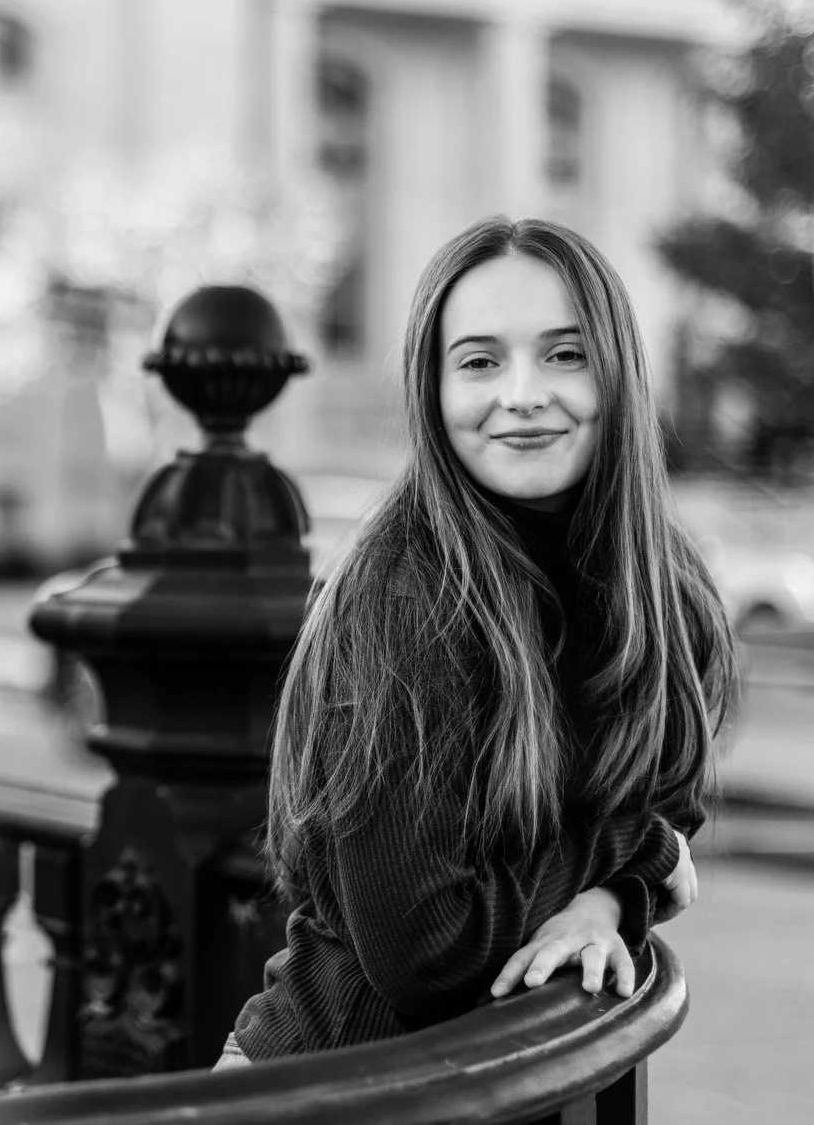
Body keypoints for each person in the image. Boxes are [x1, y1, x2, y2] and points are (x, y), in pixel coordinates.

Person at [218, 215, 737, 1067]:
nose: (523, 392)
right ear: (435, 390)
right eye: (480, 361)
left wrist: (606, 904)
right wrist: (635, 853)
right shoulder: (407, 594)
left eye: (565, 354)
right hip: (320, 1089)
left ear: (618, 374)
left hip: (481, 1084)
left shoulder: (661, 586)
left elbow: (664, 793)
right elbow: (427, 949)